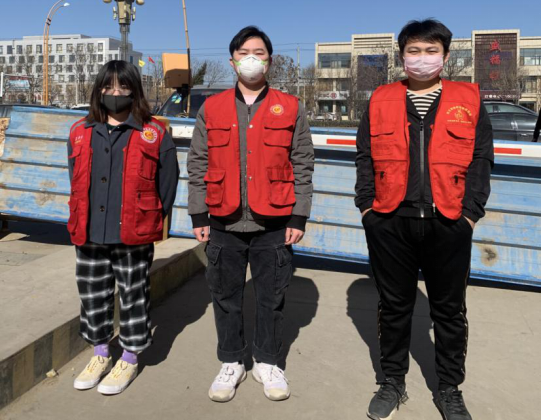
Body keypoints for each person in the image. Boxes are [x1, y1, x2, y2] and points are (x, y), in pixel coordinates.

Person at [355, 19, 494, 420]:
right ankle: (392, 382)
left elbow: (482, 158)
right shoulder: (381, 99)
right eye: (413, 51)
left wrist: (470, 215)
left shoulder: (468, 98)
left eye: (431, 51)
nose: (422, 58)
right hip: (390, 221)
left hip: (448, 222)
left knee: (449, 311)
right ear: (401, 56)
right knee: (394, 307)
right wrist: (367, 209)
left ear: (445, 56)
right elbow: (364, 155)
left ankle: (449, 388)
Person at [187, 26, 314, 402]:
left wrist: (299, 216)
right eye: (243, 53)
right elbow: (197, 163)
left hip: (274, 220)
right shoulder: (211, 108)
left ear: (269, 61)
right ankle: (231, 362)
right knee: (225, 296)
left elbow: (303, 163)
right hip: (222, 219)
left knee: (271, 297)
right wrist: (198, 214)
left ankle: (267, 361)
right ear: (232, 61)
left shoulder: (291, 107)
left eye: (258, 53)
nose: (251, 59)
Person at [67, 60, 179, 395]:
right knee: (93, 295)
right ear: (98, 90)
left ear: (135, 91)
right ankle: (100, 353)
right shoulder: (80, 130)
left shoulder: (153, 133)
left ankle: (129, 357)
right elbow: (75, 179)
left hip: (133, 232)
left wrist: (148, 220)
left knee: (133, 296)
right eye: (108, 86)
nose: (115, 93)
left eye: (123, 87)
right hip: (89, 230)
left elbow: (167, 186)